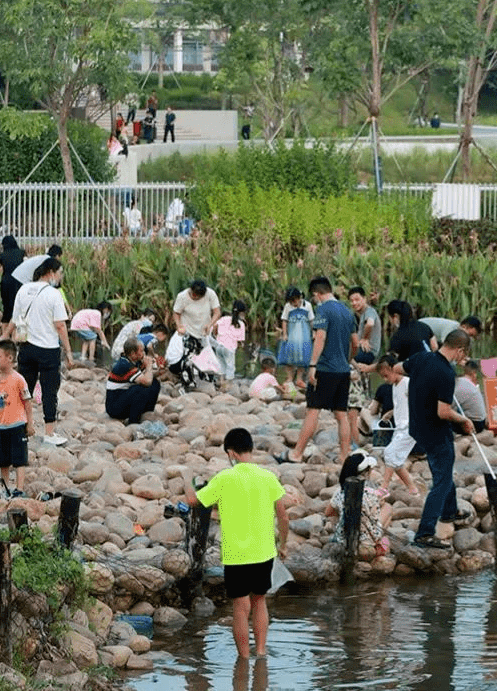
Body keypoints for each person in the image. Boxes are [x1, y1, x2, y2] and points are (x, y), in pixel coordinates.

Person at [185, 427, 289, 659]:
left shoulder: (225, 478)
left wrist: (186, 481)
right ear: (250, 449)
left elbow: (193, 500)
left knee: (241, 610)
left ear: (231, 453)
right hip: (264, 552)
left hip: (236, 555)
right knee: (260, 602)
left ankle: (243, 660)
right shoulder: (268, 477)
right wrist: (283, 544)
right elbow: (283, 515)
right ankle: (261, 653)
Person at [276, 276, 357, 466]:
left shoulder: (323, 309)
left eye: (315, 297)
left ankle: (297, 454)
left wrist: (312, 365)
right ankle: (344, 455)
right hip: (342, 370)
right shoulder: (347, 311)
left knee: (313, 411)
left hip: (325, 368)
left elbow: (320, 338)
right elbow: (355, 343)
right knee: (341, 414)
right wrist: (348, 360)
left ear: (317, 294)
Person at [407, 328, 474, 549]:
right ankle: (425, 532)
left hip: (418, 426)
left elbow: (399, 368)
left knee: (444, 468)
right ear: (459, 350)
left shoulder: (421, 357)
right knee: (442, 480)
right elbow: (443, 412)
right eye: (463, 355)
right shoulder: (446, 373)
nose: (463, 360)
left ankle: (450, 511)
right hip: (435, 430)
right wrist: (463, 421)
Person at [10, 257, 71, 446]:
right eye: (59, 273)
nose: (60, 277)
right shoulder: (53, 295)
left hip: (26, 347)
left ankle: (20, 428)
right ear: (51, 272)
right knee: (49, 391)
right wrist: (68, 351)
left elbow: (15, 319)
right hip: (48, 349)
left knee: (24, 389)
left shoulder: (23, 289)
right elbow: (60, 325)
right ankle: (49, 432)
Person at [0, 339, 34, 497]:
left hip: (17, 425)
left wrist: (30, 424)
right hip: (1, 426)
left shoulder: (18, 379)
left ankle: (19, 489)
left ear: (10, 358)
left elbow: (27, 403)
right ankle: (5, 488)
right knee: (3, 459)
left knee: (19, 459)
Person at [325, 452, 391, 553]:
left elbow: (328, 513)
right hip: (367, 541)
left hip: (343, 539)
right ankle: (379, 540)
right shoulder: (371, 493)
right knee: (388, 508)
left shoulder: (339, 491)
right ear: (366, 472)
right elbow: (374, 515)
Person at [375, 354, 418, 496]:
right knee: (397, 461)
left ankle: (384, 486)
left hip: (410, 427)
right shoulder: (395, 385)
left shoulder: (407, 383)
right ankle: (412, 489)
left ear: (394, 369)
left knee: (389, 453)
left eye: (386, 375)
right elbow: (401, 403)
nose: (384, 380)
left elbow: (419, 402)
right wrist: (391, 413)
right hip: (400, 426)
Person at [105, 336, 162, 425]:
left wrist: (159, 369)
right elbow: (146, 381)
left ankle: (147, 413)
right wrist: (149, 366)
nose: (144, 353)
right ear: (133, 353)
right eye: (142, 351)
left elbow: (148, 376)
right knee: (139, 390)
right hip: (114, 406)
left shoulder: (134, 361)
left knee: (155, 384)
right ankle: (133, 422)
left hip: (122, 398)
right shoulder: (124, 365)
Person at [172, 279, 221, 380]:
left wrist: (210, 324)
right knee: (188, 357)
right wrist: (178, 325)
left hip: (204, 331)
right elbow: (176, 313)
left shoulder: (210, 294)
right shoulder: (182, 296)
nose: (194, 297)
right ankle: (188, 380)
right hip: (188, 330)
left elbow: (217, 312)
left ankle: (208, 380)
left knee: (207, 356)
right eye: (193, 294)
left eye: (197, 296)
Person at [0, 235, 26, 338]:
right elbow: (27, 265)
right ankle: (16, 335)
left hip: (6, 283)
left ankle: (5, 336)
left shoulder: (2, 255)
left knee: (7, 308)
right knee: (18, 308)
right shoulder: (22, 253)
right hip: (19, 283)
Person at [276, 287, 313, 393]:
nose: (293, 303)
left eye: (294, 300)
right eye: (291, 301)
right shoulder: (288, 307)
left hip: (304, 336)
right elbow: (284, 320)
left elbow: (311, 320)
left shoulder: (308, 306)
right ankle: (289, 377)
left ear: (299, 298)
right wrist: (284, 333)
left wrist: (313, 332)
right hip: (291, 335)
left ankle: (299, 379)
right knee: (289, 356)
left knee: (303, 357)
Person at [214, 300, 247, 383]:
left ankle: (221, 382)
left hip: (219, 346)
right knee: (230, 367)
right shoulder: (241, 324)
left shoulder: (224, 318)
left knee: (221, 365)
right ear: (242, 313)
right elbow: (240, 341)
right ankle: (228, 385)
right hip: (229, 348)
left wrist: (216, 335)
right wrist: (240, 346)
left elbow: (215, 326)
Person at [454, 358, 487, 433]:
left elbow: (450, 405)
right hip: (481, 421)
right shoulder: (469, 383)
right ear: (474, 373)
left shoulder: (460, 383)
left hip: (474, 424)